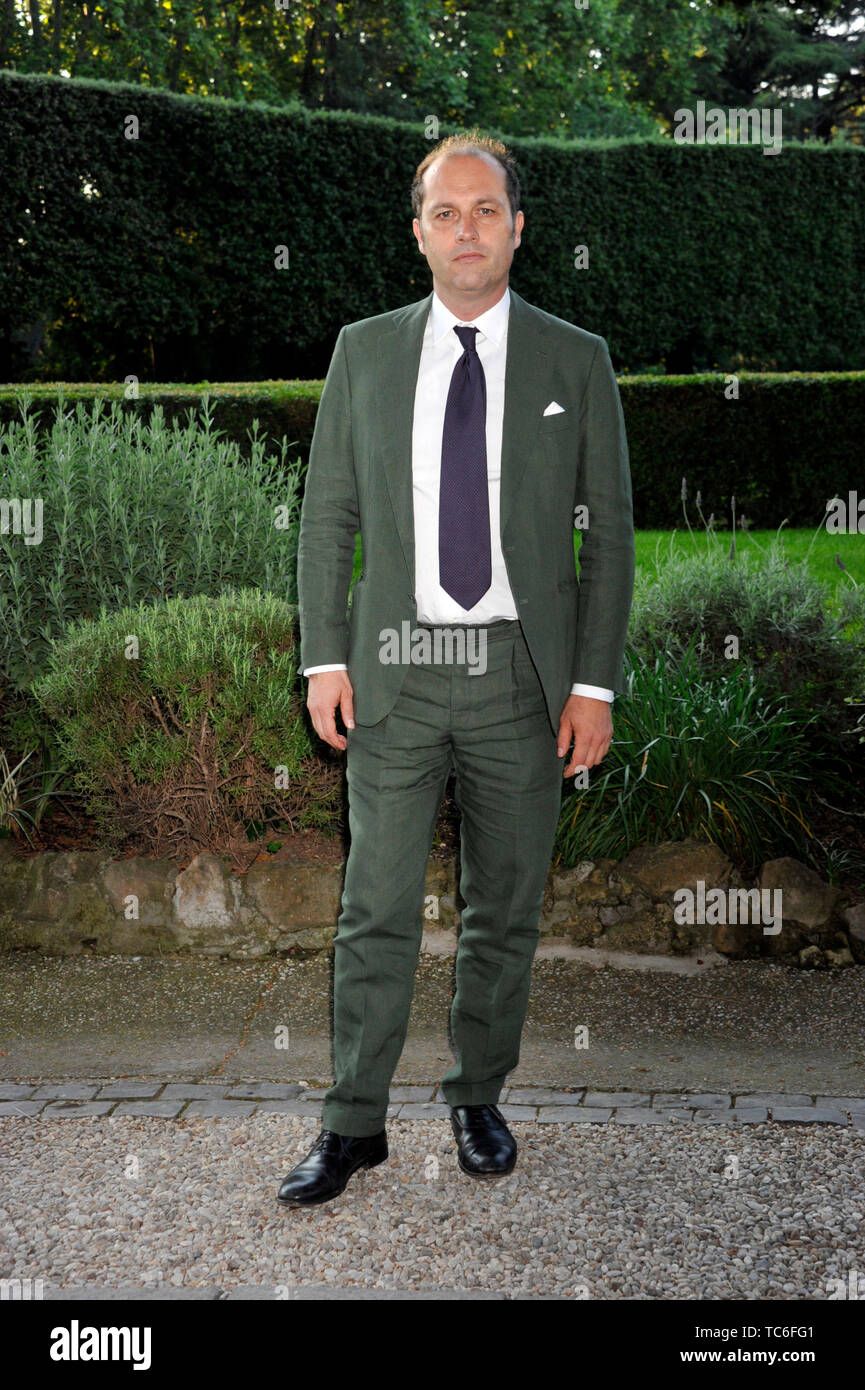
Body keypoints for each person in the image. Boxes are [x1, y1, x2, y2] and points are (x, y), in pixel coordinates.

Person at [278, 131, 635, 1206]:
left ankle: (477, 1093)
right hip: (393, 666)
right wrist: (324, 656)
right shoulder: (365, 351)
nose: (466, 229)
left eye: (486, 210)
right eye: (446, 211)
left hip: (522, 678)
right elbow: (327, 514)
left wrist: (593, 683)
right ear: (420, 230)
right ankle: (351, 1123)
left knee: (503, 905)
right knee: (374, 905)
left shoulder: (577, 359)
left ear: (517, 227)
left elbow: (607, 537)